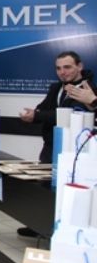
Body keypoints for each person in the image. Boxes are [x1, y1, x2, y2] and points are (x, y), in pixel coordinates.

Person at [18, 51, 96, 237]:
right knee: (44, 185)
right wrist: (33, 114)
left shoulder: (88, 90)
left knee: (64, 190)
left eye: (67, 67)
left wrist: (39, 115)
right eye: (58, 68)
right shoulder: (56, 88)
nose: (62, 72)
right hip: (50, 145)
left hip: (73, 150)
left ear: (79, 66)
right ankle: (38, 225)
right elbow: (44, 109)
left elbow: (66, 114)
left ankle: (58, 230)